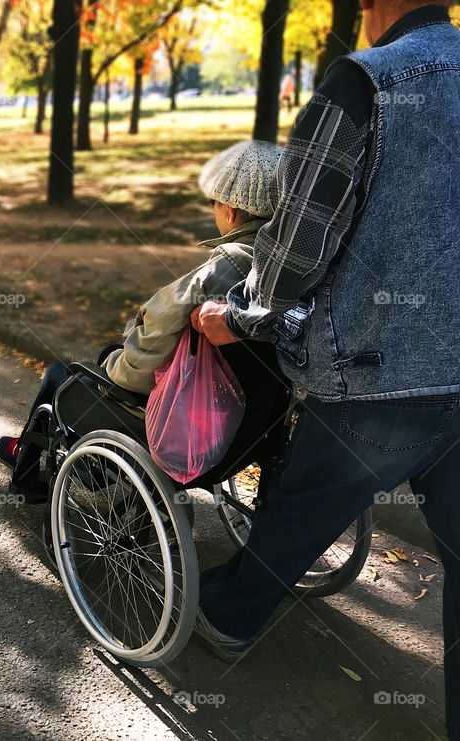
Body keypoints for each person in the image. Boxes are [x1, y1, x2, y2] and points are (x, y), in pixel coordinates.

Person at [191, 2, 460, 737]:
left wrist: (241, 314)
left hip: (380, 368)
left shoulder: (364, 83)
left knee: (302, 505)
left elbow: (301, 237)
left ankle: (229, 613)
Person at [0, 139, 284, 501]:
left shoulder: (227, 267)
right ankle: (81, 461)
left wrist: (114, 365)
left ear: (230, 210)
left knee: (62, 373)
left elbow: (151, 338)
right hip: (250, 429)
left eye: (215, 205)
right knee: (106, 354)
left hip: (193, 421)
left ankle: (29, 472)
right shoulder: (287, 271)